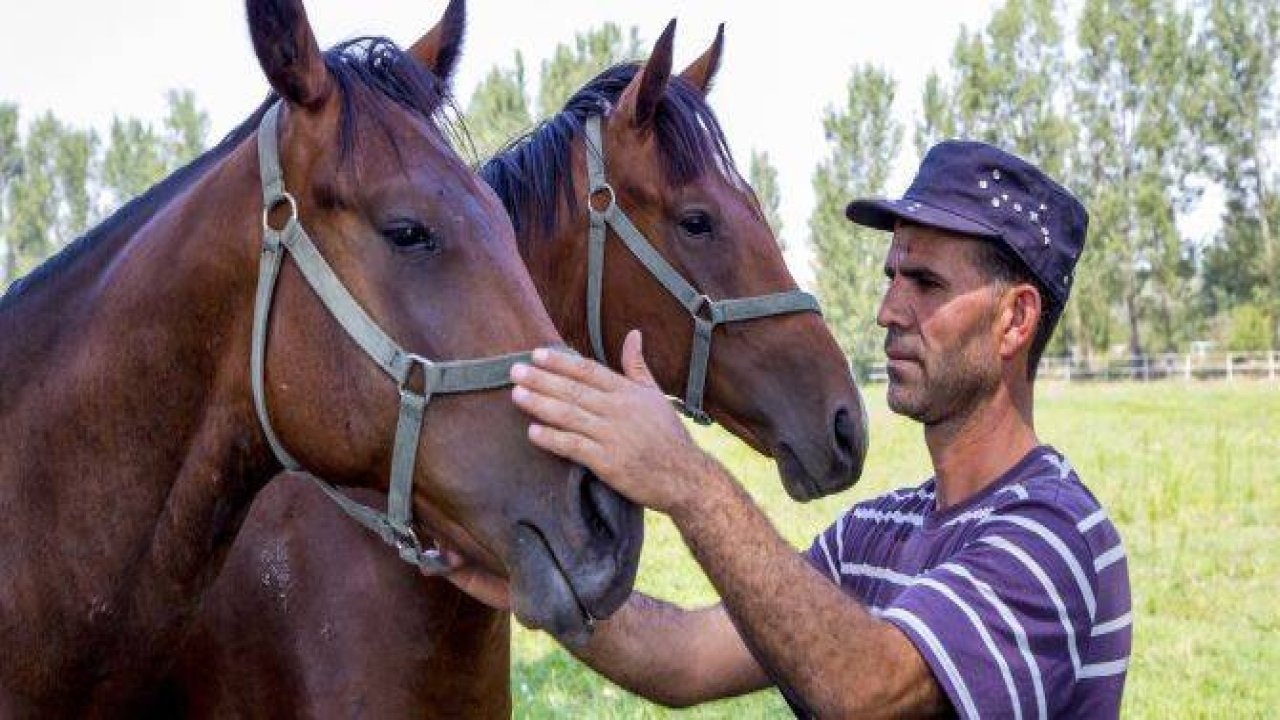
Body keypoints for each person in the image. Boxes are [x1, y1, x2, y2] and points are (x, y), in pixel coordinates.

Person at [447, 141, 1132, 718]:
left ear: (1014, 320)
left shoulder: (1053, 536)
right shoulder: (878, 531)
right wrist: (545, 586)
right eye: (893, 275)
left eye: (925, 283)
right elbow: (685, 657)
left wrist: (684, 478)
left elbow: (868, 691)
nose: (888, 309)